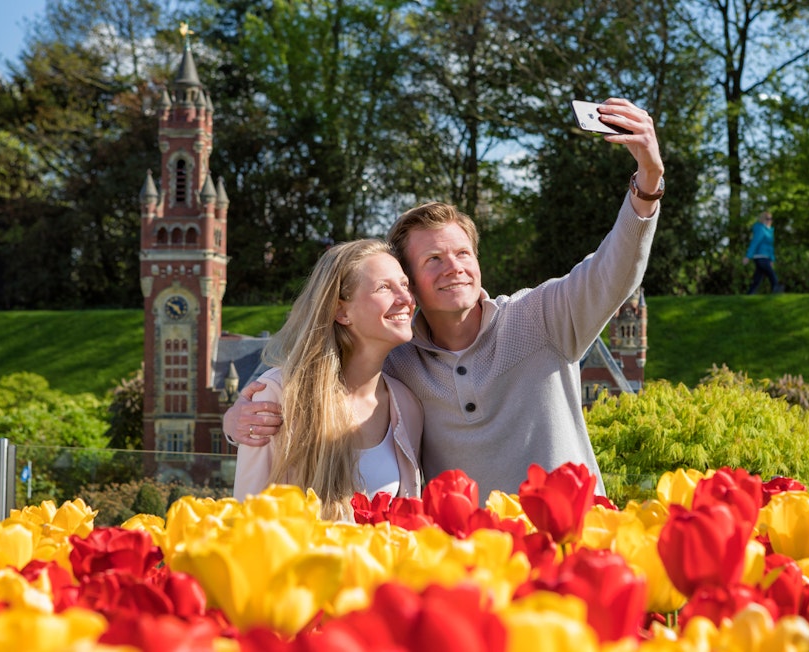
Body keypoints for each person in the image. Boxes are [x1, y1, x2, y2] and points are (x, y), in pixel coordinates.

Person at [226, 98, 662, 498]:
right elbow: (319, 364)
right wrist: (239, 418)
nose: (454, 266)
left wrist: (648, 183)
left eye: (462, 253)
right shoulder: (397, 358)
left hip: (569, 554)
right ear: (410, 281)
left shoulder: (543, 318)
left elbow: (613, 271)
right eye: (433, 258)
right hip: (468, 570)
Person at [231, 238, 424, 520]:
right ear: (341, 311)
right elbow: (247, 522)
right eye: (384, 287)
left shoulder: (406, 406)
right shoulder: (278, 396)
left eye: (405, 285)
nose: (406, 299)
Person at [742, 211, 780, 294]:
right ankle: (776, 288)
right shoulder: (760, 229)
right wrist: (748, 256)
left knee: (758, 278)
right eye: (768, 219)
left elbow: (770, 247)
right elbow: (755, 243)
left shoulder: (769, 231)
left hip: (766, 257)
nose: (770, 220)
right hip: (760, 256)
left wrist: (772, 259)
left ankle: (750, 293)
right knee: (771, 274)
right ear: (763, 219)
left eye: (771, 219)